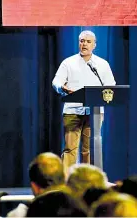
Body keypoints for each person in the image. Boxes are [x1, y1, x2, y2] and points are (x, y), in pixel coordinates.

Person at [52, 30, 116, 174]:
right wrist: (62, 87)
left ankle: (87, 179)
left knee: (89, 149)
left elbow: (111, 86)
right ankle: (67, 180)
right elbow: (56, 81)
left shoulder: (102, 64)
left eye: (88, 42)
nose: (84, 44)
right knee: (70, 148)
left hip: (94, 112)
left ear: (94, 45)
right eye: (81, 41)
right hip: (72, 110)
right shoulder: (68, 62)